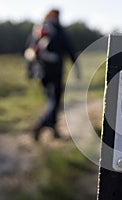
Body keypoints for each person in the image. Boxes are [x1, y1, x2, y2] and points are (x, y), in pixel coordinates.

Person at [24, 9, 80, 141]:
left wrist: (29, 72)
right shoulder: (58, 31)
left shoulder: (38, 30)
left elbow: (29, 51)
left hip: (41, 72)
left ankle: (54, 130)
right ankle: (41, 124)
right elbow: (70, 50)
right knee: (54, 101)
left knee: (51, 99)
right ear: (57, 16)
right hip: (55, 71)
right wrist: (76, 69)